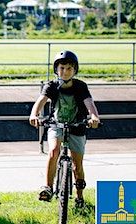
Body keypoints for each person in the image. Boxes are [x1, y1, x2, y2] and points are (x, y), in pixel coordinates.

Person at [29, 50, 100, 208]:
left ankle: (79, 197)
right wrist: (34, 114)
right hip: (57, 124)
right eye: (61, 68)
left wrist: (94, 117)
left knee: (77, 164)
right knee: (54, 151)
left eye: (69, 68)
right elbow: (41, 101)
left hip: (77, 125)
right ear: (56, 69)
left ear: (75, 70)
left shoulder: (80, 86)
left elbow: (89, 103)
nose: (65, 72)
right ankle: (48, 187)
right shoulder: (52, 85)